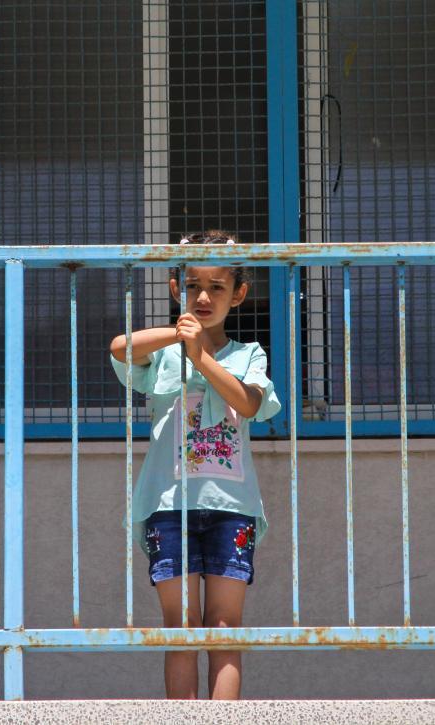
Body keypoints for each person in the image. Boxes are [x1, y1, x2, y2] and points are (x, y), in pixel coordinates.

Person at [109, 230, 281, 699]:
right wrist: (181, 335)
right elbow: (120, 347)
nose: (203, 297)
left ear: (238, 294)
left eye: (217, 287)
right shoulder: (165, 352)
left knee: (224, 626)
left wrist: (201, 356)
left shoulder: (249, 354)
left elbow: (249, 403)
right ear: (176, 289)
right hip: (168, 506)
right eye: (192, 286)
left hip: (231, 506)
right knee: (181, 626)